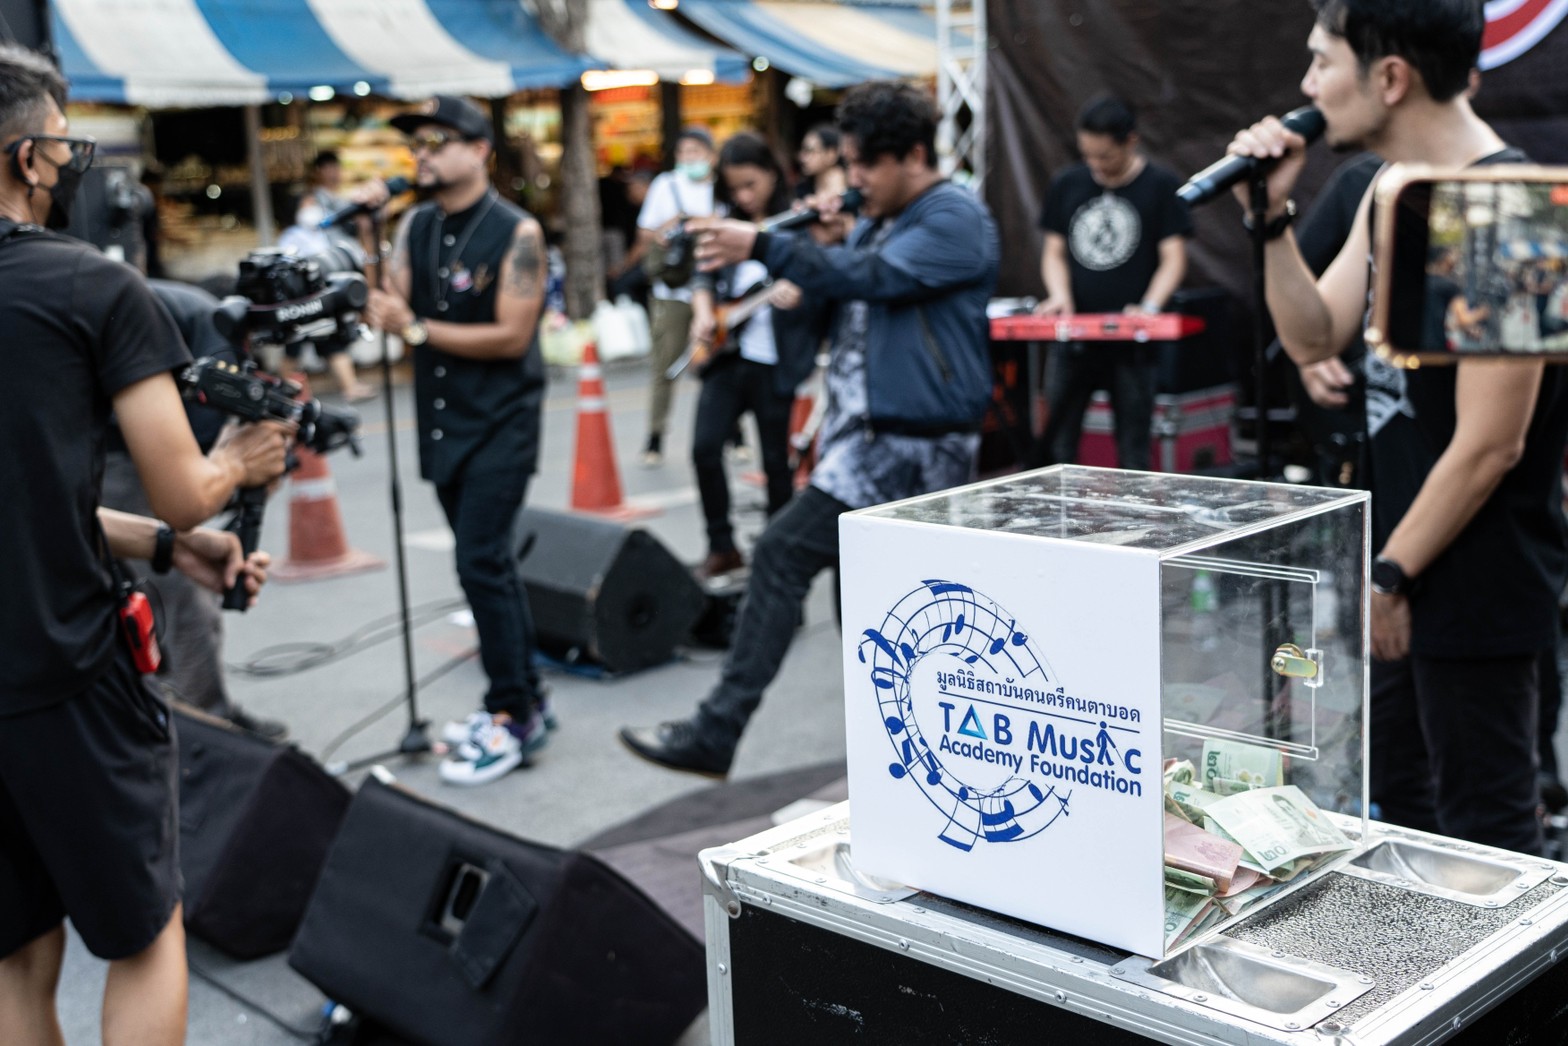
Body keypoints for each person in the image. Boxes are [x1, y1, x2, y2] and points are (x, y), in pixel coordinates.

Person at [0, 42, 289, 1046]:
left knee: (17, 955)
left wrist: (168, 550)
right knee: (145, 933)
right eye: (63, 145)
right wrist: (238, 460)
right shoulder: (88, 286)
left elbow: (32, 506)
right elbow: (184, 486)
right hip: (67, 676)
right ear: (29, 156)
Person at [1230, 0, 1568, 854]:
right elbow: (1313, 335)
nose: (1307, 86)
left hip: (1473, 577)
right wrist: (1271, 219)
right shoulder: (1391, 189)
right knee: (1406, 810)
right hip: (1404, 566)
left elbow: (1491, 445)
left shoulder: (1505, 210)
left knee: (1487, 838)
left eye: (1322, 62)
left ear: (1389, 77)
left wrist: (1387, 575)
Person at [619, 81, 999, 776]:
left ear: (915, 156)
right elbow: (848, 298)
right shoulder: (883, 220)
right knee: (873, 616)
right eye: (848, 164)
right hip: (864, 441)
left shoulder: (953, 217)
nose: (854, 178)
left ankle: (718, 732)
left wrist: (770, 245)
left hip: (912, 446)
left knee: (782, 553)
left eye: (865, 164)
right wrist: (819, 245)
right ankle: (893, 763)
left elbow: (878, 279)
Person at [359, 94, 552, 788]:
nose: (424, 155)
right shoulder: (417, 223)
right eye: (417, 145)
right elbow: (390, 303)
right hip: (443, 422)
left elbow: (512, 334)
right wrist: (369, 234)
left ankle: (511, 713)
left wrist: (415, 330)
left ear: (479, 150)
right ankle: (527, 696)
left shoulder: (518, 232)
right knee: (488, 566)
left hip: (501, 422)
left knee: (479, 562)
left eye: (439, 142)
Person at [100, 279, 289, 740]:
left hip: (109, 449)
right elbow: (193, 482)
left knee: (159, 590)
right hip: (121, 455)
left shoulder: (188, 309)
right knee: (183, 604)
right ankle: (207, 729)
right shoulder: (213, 330)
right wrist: (241, 465)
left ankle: (198, 715)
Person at [1032, 94, 1192, 472]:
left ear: (1130, 141)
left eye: (1104, 156)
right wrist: (1060, 296)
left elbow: (1174, 258)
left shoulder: (1160, 186)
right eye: (1088, 155)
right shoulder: (1067, 183)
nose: (1096, 164)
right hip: (1073, 338)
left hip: (1132, 344)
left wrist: (1149, 307)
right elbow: (1053, 252)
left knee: (1133, 448)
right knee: (1057, 443)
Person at [688, 133, 822, 579]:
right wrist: (703, 314)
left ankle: (776, 556)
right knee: (705, 448)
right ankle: (721, 545)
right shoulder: (725, 225)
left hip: (776, 363)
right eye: (734, 188)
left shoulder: (799, 222)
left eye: (751, 184)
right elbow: (703, 277)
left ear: (772, 174)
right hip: (728, 356)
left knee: (775, 464)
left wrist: (800, 294)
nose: (744, 196)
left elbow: (826, 281)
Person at [635, 126, 717, 467]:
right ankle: (654, 438)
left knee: (720, 365)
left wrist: (700, 223)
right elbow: (645, 231)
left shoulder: (721, 187)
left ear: (711, 155)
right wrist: (668, 228)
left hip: (713, 289)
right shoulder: (666, 185)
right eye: (682, 152)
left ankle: (734, 434)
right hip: (673, 290)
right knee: (665, 366)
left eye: (695, 151)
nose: (688, 158)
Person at [276, 192, 377, 402]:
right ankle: (282, 392)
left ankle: (350, 387)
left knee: (332, 341)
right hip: (299, 302)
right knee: (293, 347)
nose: (312, 208)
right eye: (307, 204)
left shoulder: (323, 234)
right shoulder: (291, 236)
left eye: (313, 203)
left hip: (322, 297)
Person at [795, 123, 847, 201]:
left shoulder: (850, 187)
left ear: (831, 154)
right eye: (803, 150)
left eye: (809, 151)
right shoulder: (803, 189)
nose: (802, 158)